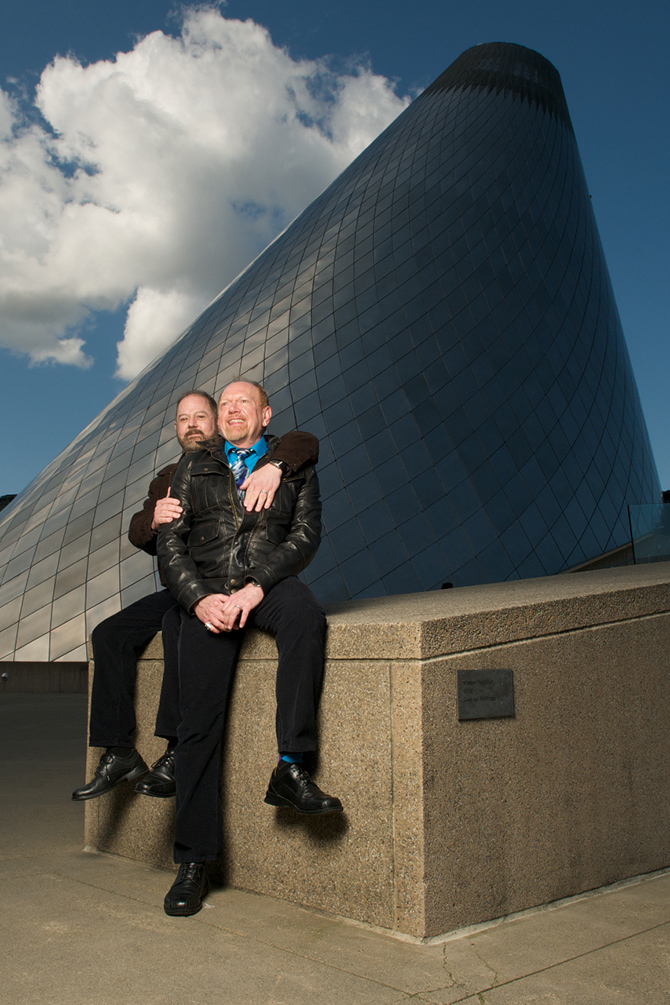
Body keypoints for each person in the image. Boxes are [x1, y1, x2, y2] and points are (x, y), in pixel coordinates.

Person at [72, 390, 319, 802]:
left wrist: (275, 465)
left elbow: (303, 443)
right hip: (184, 585)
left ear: (217, 424)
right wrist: (153, 521)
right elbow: (142, 534)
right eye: (183, 419)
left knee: (176, 624)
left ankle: (174, 749)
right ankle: (119, 751)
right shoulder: (174, 473)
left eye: (201, 416)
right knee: (109, 634)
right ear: (175, 429)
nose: (192, 425)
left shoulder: (257, 455)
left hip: (223, 584)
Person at [157, 379, 342, 917]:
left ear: (264, 414)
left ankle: (291, 764)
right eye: (227, 404)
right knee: (198, 725)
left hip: (266, 583)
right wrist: (196, 600)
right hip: (210, 590)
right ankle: (193, 861)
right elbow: (170, 544)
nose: (234, 410)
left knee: (307, 617)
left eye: (245, 403)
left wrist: (260, 584)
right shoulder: (196, 465)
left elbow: (305, 535)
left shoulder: (293, 465)